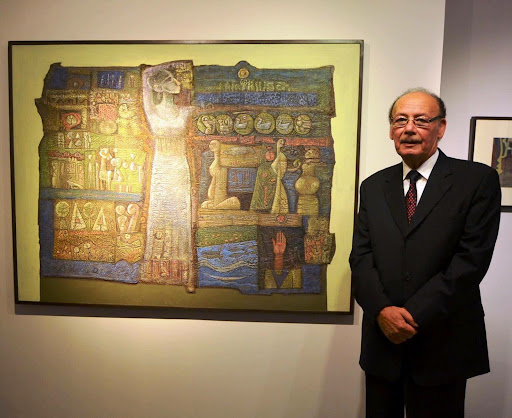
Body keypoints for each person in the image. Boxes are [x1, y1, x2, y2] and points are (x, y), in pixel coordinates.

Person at [349, 88, 501, 417]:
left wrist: (411, 315)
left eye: (421, 120)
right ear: (391, 130)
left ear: (441, 127)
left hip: (443, 342)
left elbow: (471, 261)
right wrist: (383, 311)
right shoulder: (373, 186)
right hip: (383, 342)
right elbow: (360, 258)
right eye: (400, 120)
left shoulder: (477, 180)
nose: (409, 128)